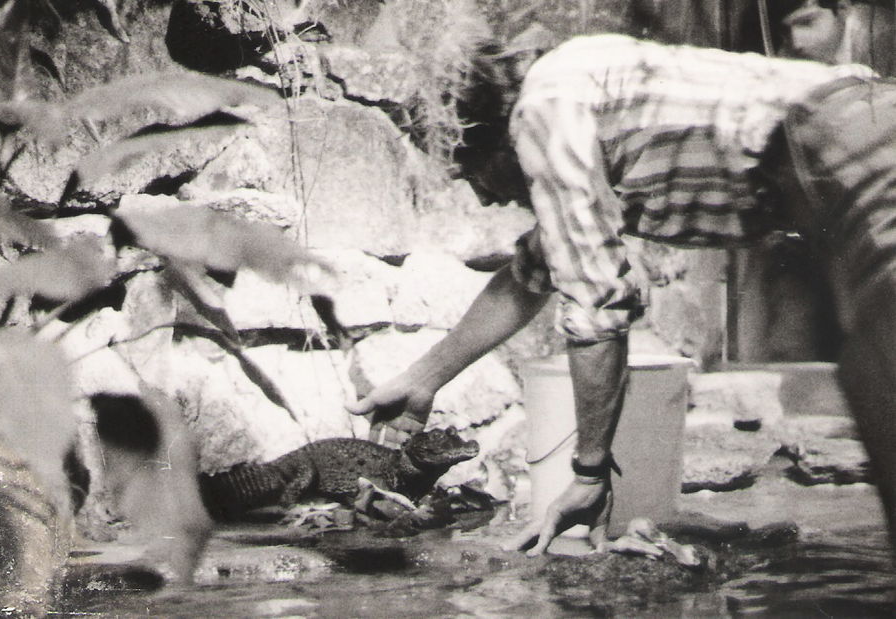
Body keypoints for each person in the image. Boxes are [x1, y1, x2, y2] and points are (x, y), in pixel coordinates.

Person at [347, 31, 896, 557]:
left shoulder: (545, 109)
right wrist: (424, 379)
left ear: (486, 136)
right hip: (852, 137)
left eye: (467, 173)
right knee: (872, 372)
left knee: (884, 369)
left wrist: (588, 474)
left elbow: (595, 306)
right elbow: (530, 275)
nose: (483, 199)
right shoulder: (578, 98)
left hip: (849, 141)